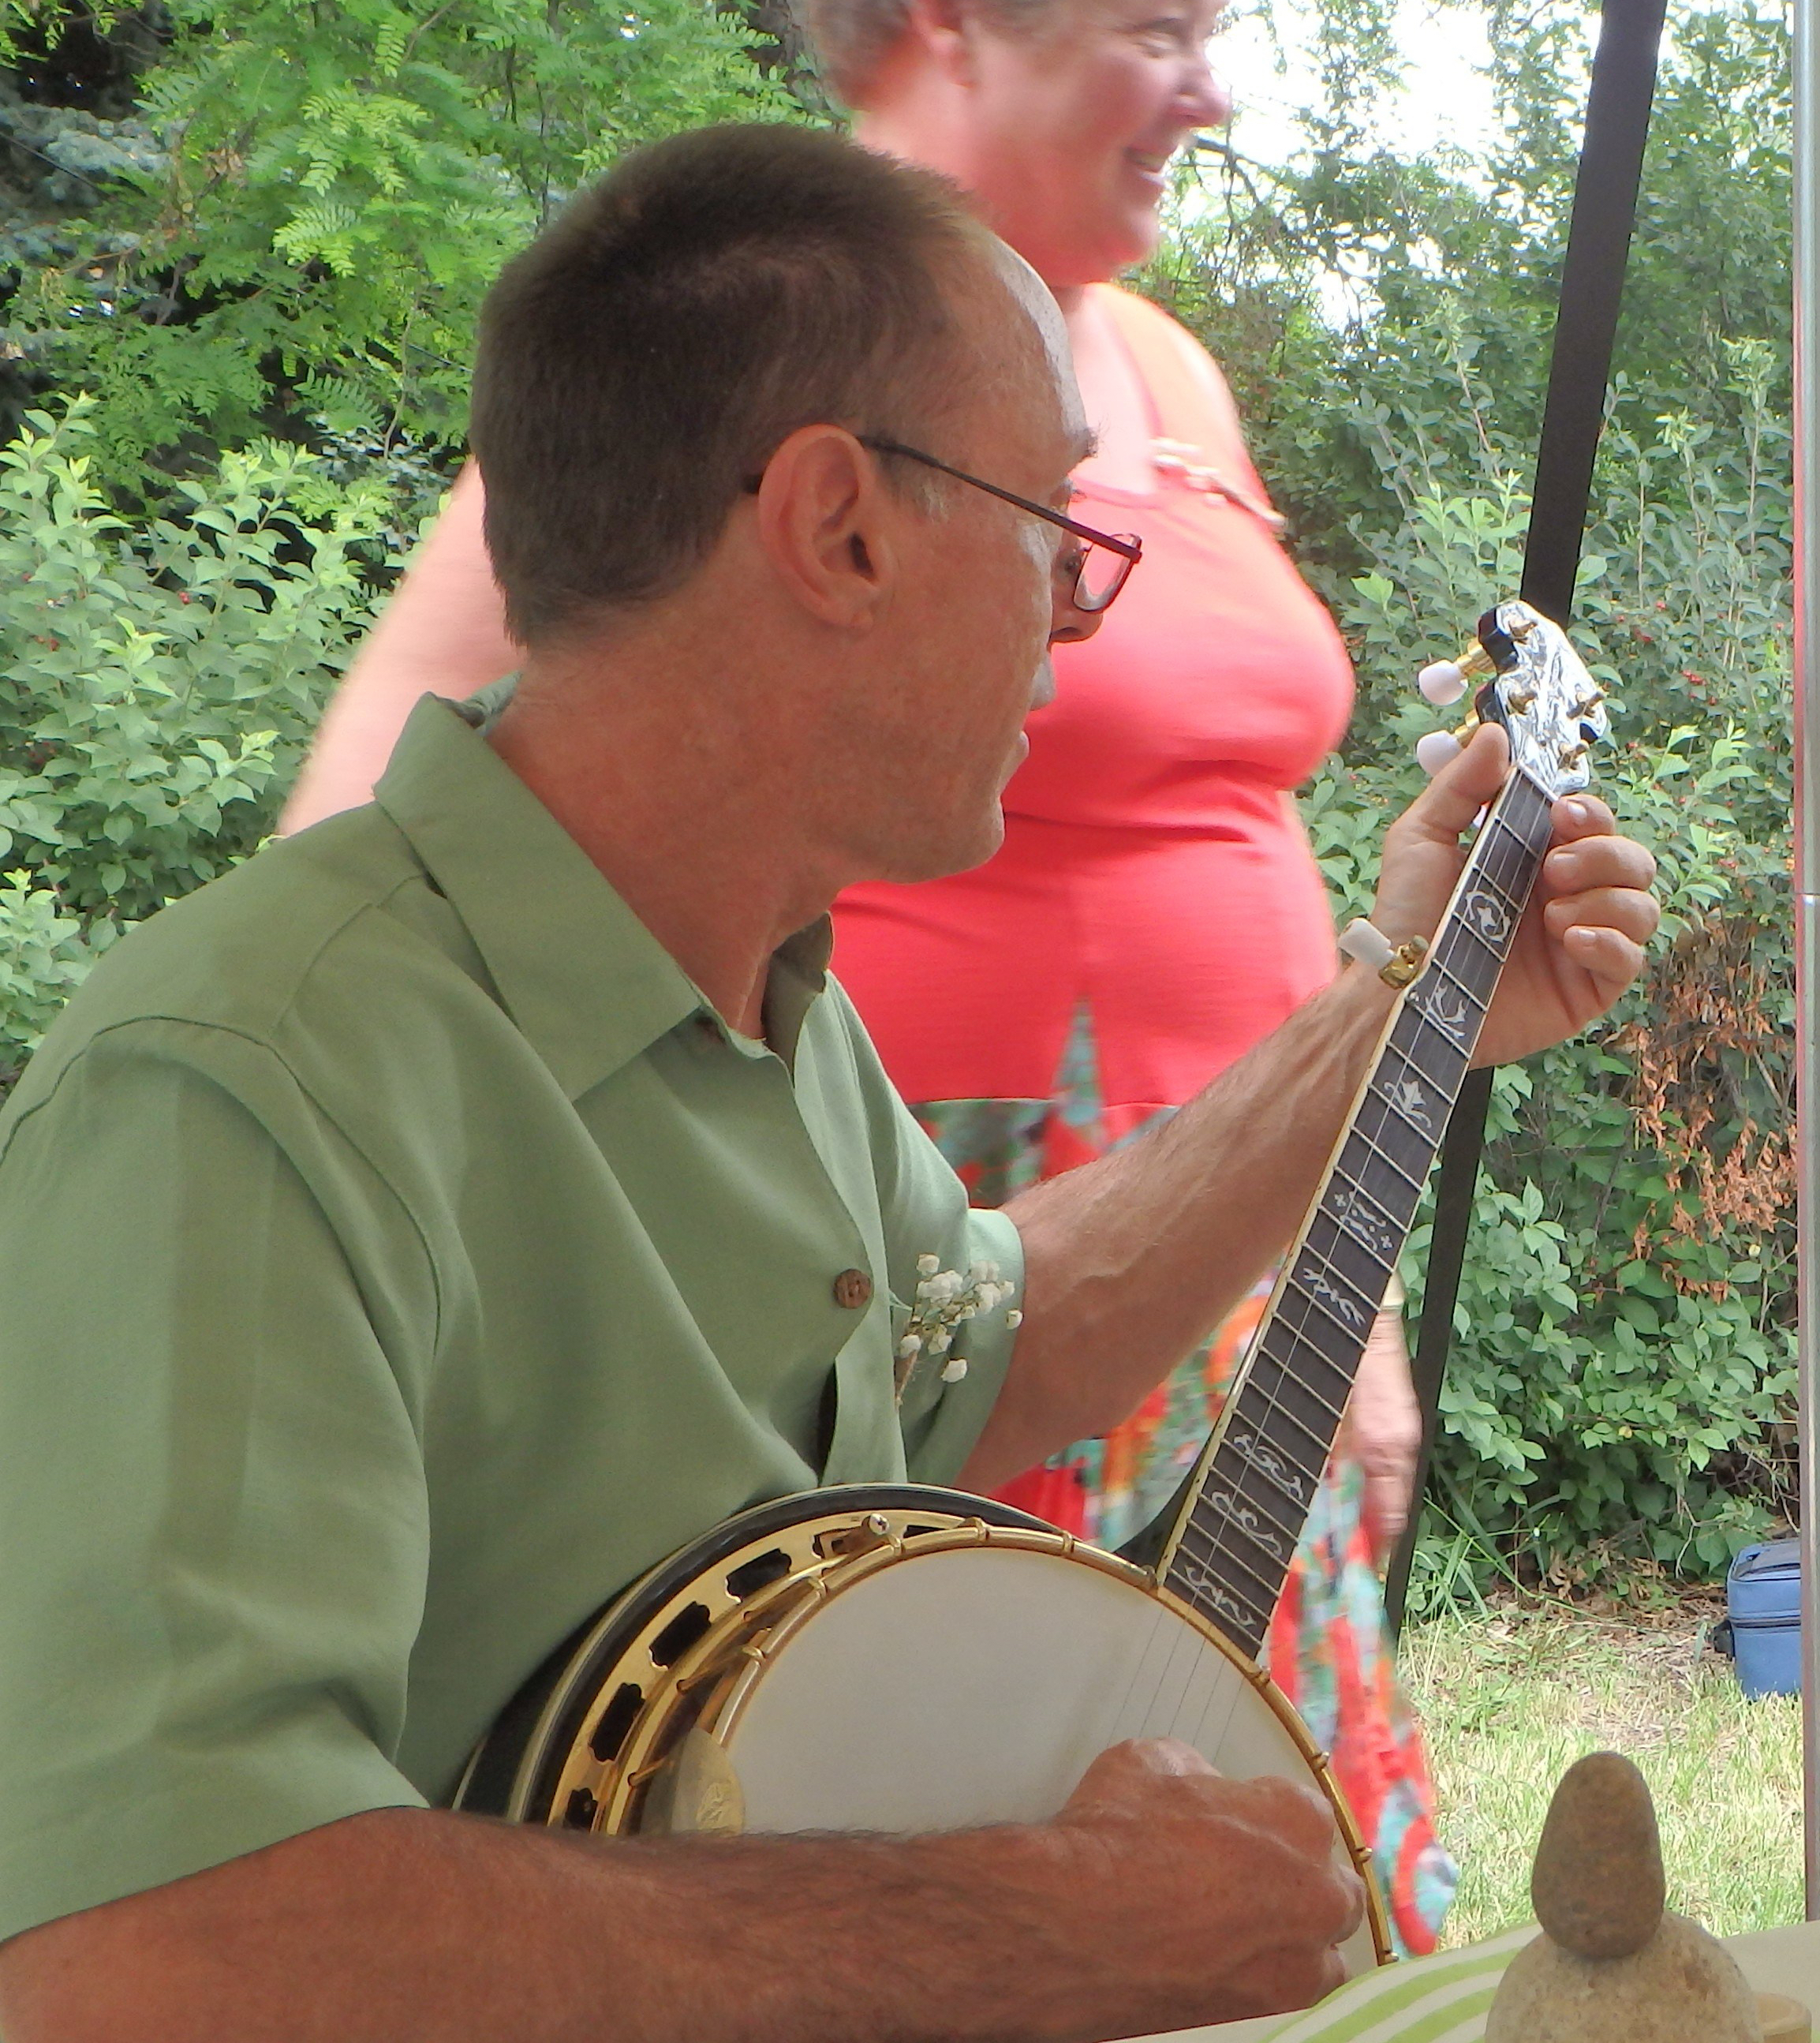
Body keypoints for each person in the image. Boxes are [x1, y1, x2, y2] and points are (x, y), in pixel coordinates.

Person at [0, 124, 1657, 2041]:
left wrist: (1399, 1003)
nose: (1077, 613)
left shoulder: (767, 1003)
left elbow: (991, 1349)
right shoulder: (245, 1091)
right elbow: (135, 1958)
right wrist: (1018, 1928)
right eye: (1061, 534)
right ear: (838, 525)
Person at [272, 0, 1458, 1945]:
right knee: (958, 1884)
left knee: (1260, 1895)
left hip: (1200, 1263)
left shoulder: (1158, 364)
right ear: (948, 23)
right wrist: (383, 1157)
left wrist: (1356, 1274)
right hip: (893, 1241)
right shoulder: (742, 341)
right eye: (1159, 23)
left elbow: (1233, 856)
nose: (1213, 84)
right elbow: (446, 736)